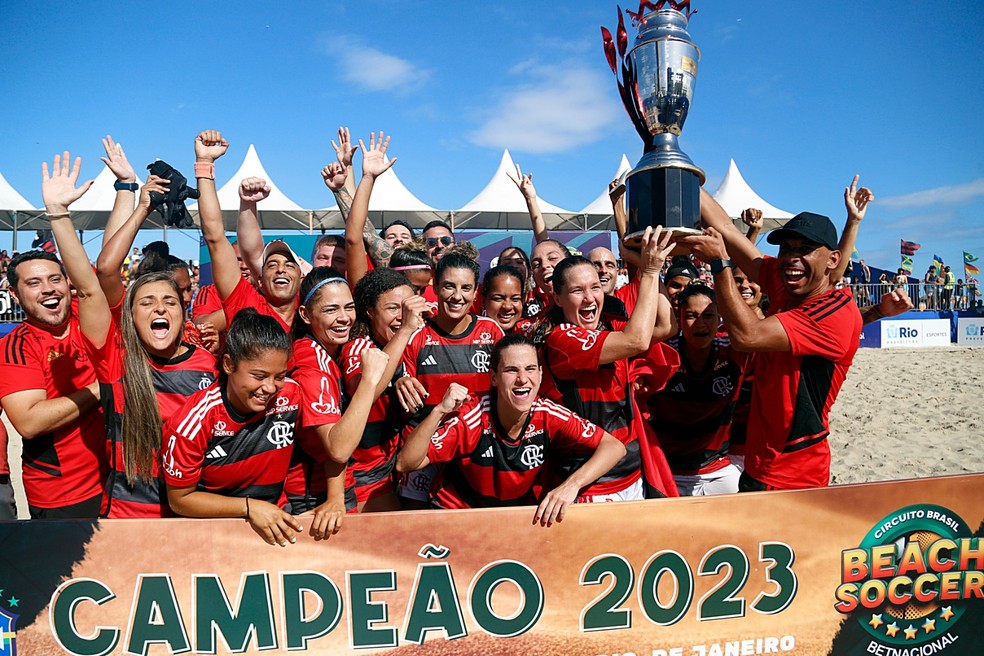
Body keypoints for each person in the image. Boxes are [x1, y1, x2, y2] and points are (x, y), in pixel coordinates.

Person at [45, 170, 218, 518]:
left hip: (196, 515)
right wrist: (59, 214)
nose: (159, 309)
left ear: (184, 311)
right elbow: (94, 282)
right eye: (146, 302)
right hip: (129, 517)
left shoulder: (208, 364)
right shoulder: (116, 358)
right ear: (130, 316)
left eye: (169, 302)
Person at [683, 192, 863, 490]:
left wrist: (719, 264)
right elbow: (727, 230)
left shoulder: (834, 311)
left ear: (833, 259)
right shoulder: (789, 288)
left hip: (794, 473)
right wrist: (686, 175)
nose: (792, 257)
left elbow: (747, 336)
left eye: (805, 249)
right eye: (786, 248)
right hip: (760, 462)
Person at [396, 335, 626, 524]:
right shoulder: (472, 416)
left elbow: (614, 447)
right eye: (511, 370)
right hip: (459, 514)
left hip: (513, 518)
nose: (522, 379)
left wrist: (571, 486)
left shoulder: (548, 414)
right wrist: (440, 411)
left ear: (541, 375)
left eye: (530, 369)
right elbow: (406, 463)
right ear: (494, 378)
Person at [0, 153, 105, 518]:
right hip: (65, 494)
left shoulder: (84, 315)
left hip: (119, 479)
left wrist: (60, 214)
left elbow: (96, 280)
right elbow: (29, 422)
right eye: (33, 283)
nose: (48, 288)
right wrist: (102, 388)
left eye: (55, 278)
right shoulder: (15, 347)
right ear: (15, 295)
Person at [540, 227, 677, 502]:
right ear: (557, 298)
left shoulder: (609, 326)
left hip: (632, 475)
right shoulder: (560, 339)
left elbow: (666, 326)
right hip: (590, 485)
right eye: (577, 291)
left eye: (595, 288)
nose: (589, 298)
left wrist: (647, 267)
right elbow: (637, 340)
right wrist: (649, 271)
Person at [163, 310, 307, 546]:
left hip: (277, 525)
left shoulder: (292, 395)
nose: (270, 387)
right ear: (229, 365)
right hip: (211, 537)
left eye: (279, 376)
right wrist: (249, 507)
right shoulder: (192, 422)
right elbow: (180, 499)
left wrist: (334, 499)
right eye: (259, 376)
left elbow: (328, 447)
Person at [286, 268, 393, 530]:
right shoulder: (311, 364)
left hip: (334, 489)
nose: (344, 318)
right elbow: (338, 448)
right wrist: (369, 380)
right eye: (331, 310)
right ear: (305, 315)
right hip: (311, 497)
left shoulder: (330, 350)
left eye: (349, 307)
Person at [394, 253, 505, 505]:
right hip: (424, 454)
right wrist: (400, 380)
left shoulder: (491, 332)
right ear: (434, 287)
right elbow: (403, 396)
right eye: (449, 286)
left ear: (475, 292)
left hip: (474, 452)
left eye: (465, 288)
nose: (457, 296)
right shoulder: (416, 334)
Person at [195, 131, 304, 336]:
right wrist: (204, 163)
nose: (281, 269)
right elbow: (215, 237)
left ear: (301, 279)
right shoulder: (247, 305)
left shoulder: (313, 314)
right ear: (260, 280)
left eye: (290, 265)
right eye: (271, 265)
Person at [641, 285, 747, 495]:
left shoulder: (734, 350)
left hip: (719, 468)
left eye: (708, 315)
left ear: (719, 318)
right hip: (667, 469)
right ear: (679, 320)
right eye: (691, 316)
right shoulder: (663, 353)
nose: (700, 324)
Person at [342, 269, 429, 511]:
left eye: (407, 309)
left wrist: (400, 378)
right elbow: (363, 392)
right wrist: (405, 330)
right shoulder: (358, 346)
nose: (403, 316)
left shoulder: (406, 344)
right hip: (363, 477)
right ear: (370, 311)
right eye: (392, 308)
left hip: (395, 468)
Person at [482, 265, 529, 334]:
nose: (507, 306)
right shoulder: (471, 335)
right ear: (483, 301)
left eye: (515, 299)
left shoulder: (532, 333)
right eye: (499, 299)